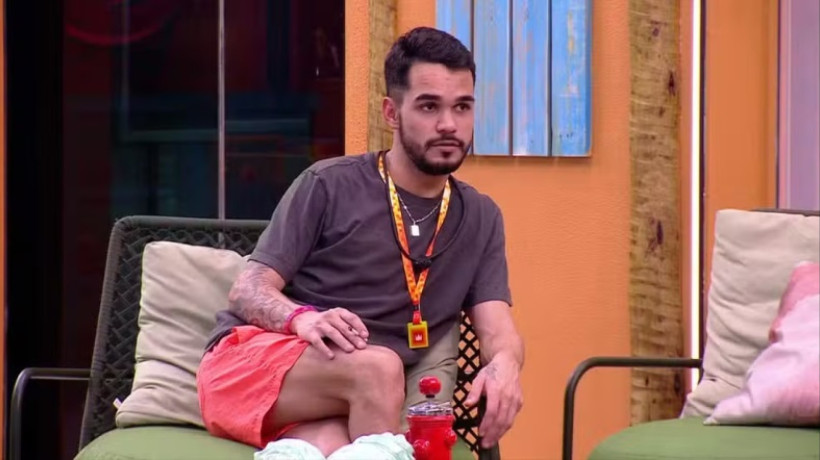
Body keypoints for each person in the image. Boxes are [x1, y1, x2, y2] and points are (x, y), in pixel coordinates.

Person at [196, 26, 524, 458]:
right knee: (380, 366)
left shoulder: (480, 217)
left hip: (346, 397)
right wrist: (302, 319)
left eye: (462, 106)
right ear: (391, 112)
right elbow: (248, 289)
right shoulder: (329, 184)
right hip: (248, 370)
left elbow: (498, 330)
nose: (449, 124)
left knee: (327, 446)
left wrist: (506, 365)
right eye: (429, 106)